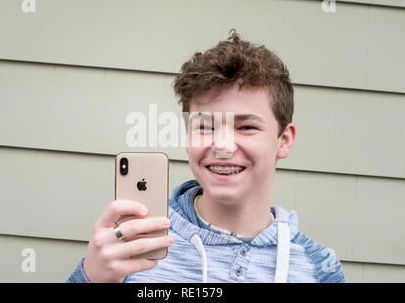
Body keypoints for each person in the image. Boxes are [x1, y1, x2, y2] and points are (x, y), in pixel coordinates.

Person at [67, 30, 346, 283]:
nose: (222, 145)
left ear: (283, 141)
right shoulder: (133, 244)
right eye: (205, 127)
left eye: (246, 127)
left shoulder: (318, 270)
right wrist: (91, 278)